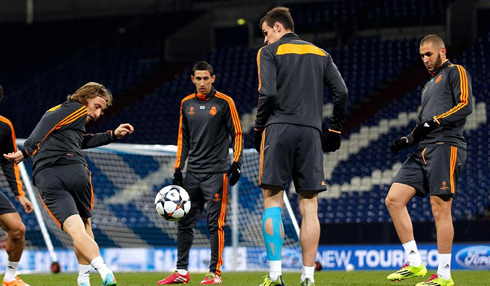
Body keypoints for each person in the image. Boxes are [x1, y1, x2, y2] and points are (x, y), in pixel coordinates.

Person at [3, 82, 134, 286]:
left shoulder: (72, 120)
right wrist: (26, 149)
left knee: (75, 229)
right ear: (85, 98)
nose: (98, 114)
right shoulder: (74, 108)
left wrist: (112, 135)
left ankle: (101, 270)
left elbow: (81, 140)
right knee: (84, 226)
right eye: (97, 106)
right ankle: (84, 279)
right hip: (76, 171)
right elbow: (47, 121)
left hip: (49, 176)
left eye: (102, 109)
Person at [254, 7, 348, 286]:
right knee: (309, 206)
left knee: (272, 201)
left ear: (279, 27)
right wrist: (335, 128)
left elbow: (267, 93)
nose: (265, 39)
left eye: (266, 32)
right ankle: (308, 277)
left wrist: (258, 127)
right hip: (310, 132)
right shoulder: (321, 53)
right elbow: (341, 92)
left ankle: (275, 275)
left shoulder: (269, 53)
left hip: (279, 129)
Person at [387, 34, 472, 286]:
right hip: (423, 150)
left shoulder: (455, 71)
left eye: (429, 54)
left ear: (442, 52)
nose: (425, 59)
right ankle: (414, 263)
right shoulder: (427, 86)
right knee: (393, 199)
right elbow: (423, 125)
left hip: (446, 146)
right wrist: (407, 140)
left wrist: (435, 121)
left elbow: (465, 105)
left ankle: (444, 276)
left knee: (440, 208)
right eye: (422, 55)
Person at [157, 61, 243, 285]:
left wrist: (236, 163)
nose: (202, 82)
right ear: (192, 80)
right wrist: (178, 167)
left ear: (213, 78)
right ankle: (181, 271)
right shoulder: (186, 103)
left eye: (206, 78)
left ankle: (215, 274)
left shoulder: (225, 103)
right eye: (199, 78)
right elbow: (182, 138)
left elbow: (238, 133)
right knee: (184, 223)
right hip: (192, 174)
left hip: (217, 174)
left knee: (216, 224)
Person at [0, 85, 34, 286]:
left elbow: (7, 160)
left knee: (17, 229)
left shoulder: (4, 126)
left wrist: (19, 194)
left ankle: (10, 278)